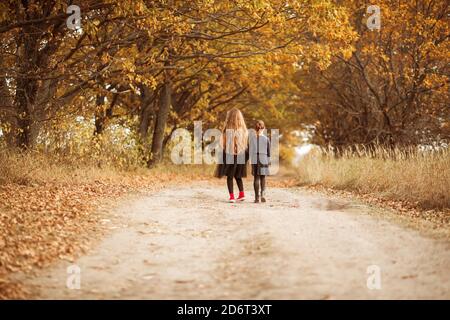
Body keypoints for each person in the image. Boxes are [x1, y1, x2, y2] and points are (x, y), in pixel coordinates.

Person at [214, 108, 249, 203]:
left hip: (230, 156)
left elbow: (221, 144)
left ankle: (232, 197)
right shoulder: (244, 131)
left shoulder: (227, 130)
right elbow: (246, 145)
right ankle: (242, 194)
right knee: (238, 176)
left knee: (230, 176)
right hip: (241, 156)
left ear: (230, 118)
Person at [250, 120, 270, 203]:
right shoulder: (267, 139)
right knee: (263, 177)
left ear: (255, 129)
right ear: (264, 128)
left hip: (255, 158)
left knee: (256, 178)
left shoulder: (252, 139)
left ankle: (256, 198)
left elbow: (251, 151)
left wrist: (250, 162)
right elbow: (269, 152)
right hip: (264, 158)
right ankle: (263, 195)